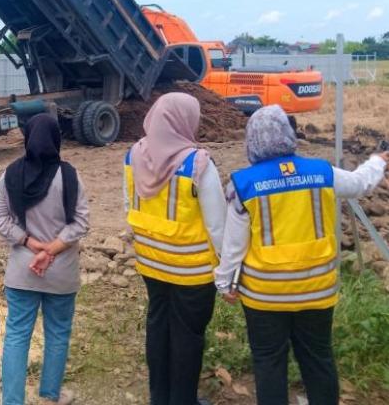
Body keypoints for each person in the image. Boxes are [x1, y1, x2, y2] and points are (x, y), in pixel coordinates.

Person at [215, 105, 389, 405]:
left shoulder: (243, 184)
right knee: (318, 358)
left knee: (268, 361)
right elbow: (361, 183)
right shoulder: (321, 172)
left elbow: (233, 246)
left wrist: (225, 283)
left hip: (265, 295)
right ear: (288, 134)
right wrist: (377, 161)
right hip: (316, 289)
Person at [123, 93, 226, 405]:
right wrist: (226, 268)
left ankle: (160, 397)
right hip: (191, 272)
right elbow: (217, 225)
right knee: (188, 337)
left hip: (151, 264)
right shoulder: (199, 165)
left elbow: (129, 203)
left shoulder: (133, 155)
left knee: (158, 328)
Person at [0, 113, 89, 405]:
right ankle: (49, 395)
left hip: (23, 270)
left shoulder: (11, 174)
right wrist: (52, 249)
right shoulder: (70, 175)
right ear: (57, 138)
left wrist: (31, 243)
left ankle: (12, 401)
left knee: (17, 335)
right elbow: (82, 223)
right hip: (62, 272)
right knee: (58, 334)